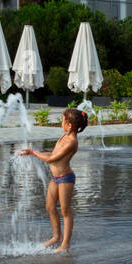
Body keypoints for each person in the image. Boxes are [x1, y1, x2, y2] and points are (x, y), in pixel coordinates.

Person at [16, 107, 86, 252]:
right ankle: (56, 237)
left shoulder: (71, 142)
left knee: (65, 211)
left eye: (62, 120)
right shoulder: (64, 137)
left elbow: (52, 159)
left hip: (66, 178)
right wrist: (36, 152)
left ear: (70, 125)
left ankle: (65, 243)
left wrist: (33, 152)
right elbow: (52, 153)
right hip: (55, 178)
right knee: (50, 206)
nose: (61, 122)